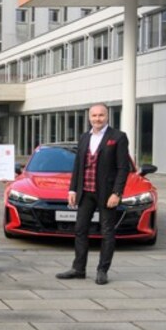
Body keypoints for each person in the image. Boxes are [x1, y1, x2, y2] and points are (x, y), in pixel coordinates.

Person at [56, 103, 130, 285]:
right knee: (80, 230)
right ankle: (78, 269)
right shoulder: (84, 137)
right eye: (94, 116)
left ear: (107, 116)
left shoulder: (118, 137)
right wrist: (72, 189)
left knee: (107, 232)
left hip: (106, 193)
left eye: (101, 115)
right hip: (85, 192)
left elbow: (123, 168)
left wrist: (117, 193)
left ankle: (102, 270)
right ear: (89, 117)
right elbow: (77, 166)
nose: (98, 119)